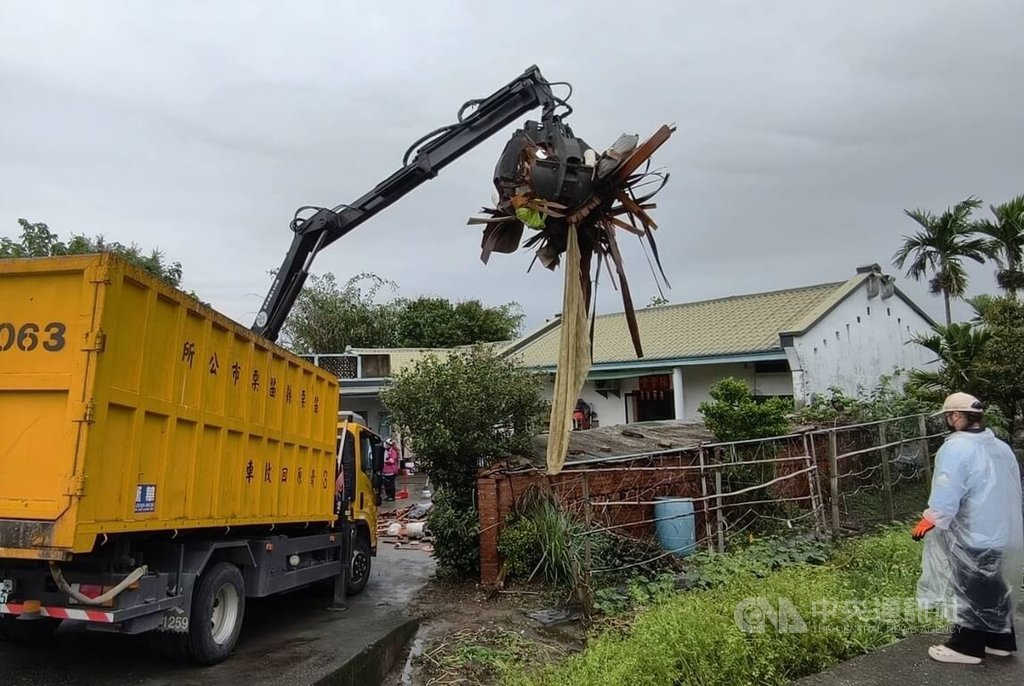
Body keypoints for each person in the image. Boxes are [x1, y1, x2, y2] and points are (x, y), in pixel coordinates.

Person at [914, 392, 1024, 664]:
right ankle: (1000, 640)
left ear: (955, 416)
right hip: (1001, 530)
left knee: (970, 587)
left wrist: (931, 519)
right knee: (993, 584)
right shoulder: (1000, 446)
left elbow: (947, 488)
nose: (948, 420)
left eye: (948, 416)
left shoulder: (955, 447)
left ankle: (967, 647)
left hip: (972, 532)